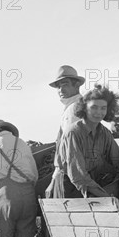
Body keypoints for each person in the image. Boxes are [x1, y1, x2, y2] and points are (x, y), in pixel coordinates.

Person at [55, 85, 119, 207]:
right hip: (69, 189)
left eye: (103, 108)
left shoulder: (105, 133)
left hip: (92, 186)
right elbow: (78, 176)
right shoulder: (73, 133)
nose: (99, 112)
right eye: (94, 107)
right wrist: (107, 198)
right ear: (84, 108)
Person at [45, 65, 85, 198]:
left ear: (77, 85)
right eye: (58, 87)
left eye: (65, 84)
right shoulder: (75, 106)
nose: (60, 90)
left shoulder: (73, 109)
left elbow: (69, 148)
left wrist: (55, 177)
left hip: (69, 173)